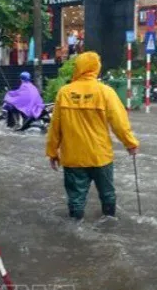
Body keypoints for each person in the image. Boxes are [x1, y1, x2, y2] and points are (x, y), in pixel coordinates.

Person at [45, 51, 140, 224]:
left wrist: (52, 152)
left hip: (73, 158)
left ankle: (75, 229)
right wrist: (130, 143)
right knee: (107, 194)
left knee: (76, 198)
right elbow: (119, 122)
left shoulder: (64, 93)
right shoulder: (105, 92)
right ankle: (110, 223)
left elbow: (55, 127)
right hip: (100, 156)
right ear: (96, 68)